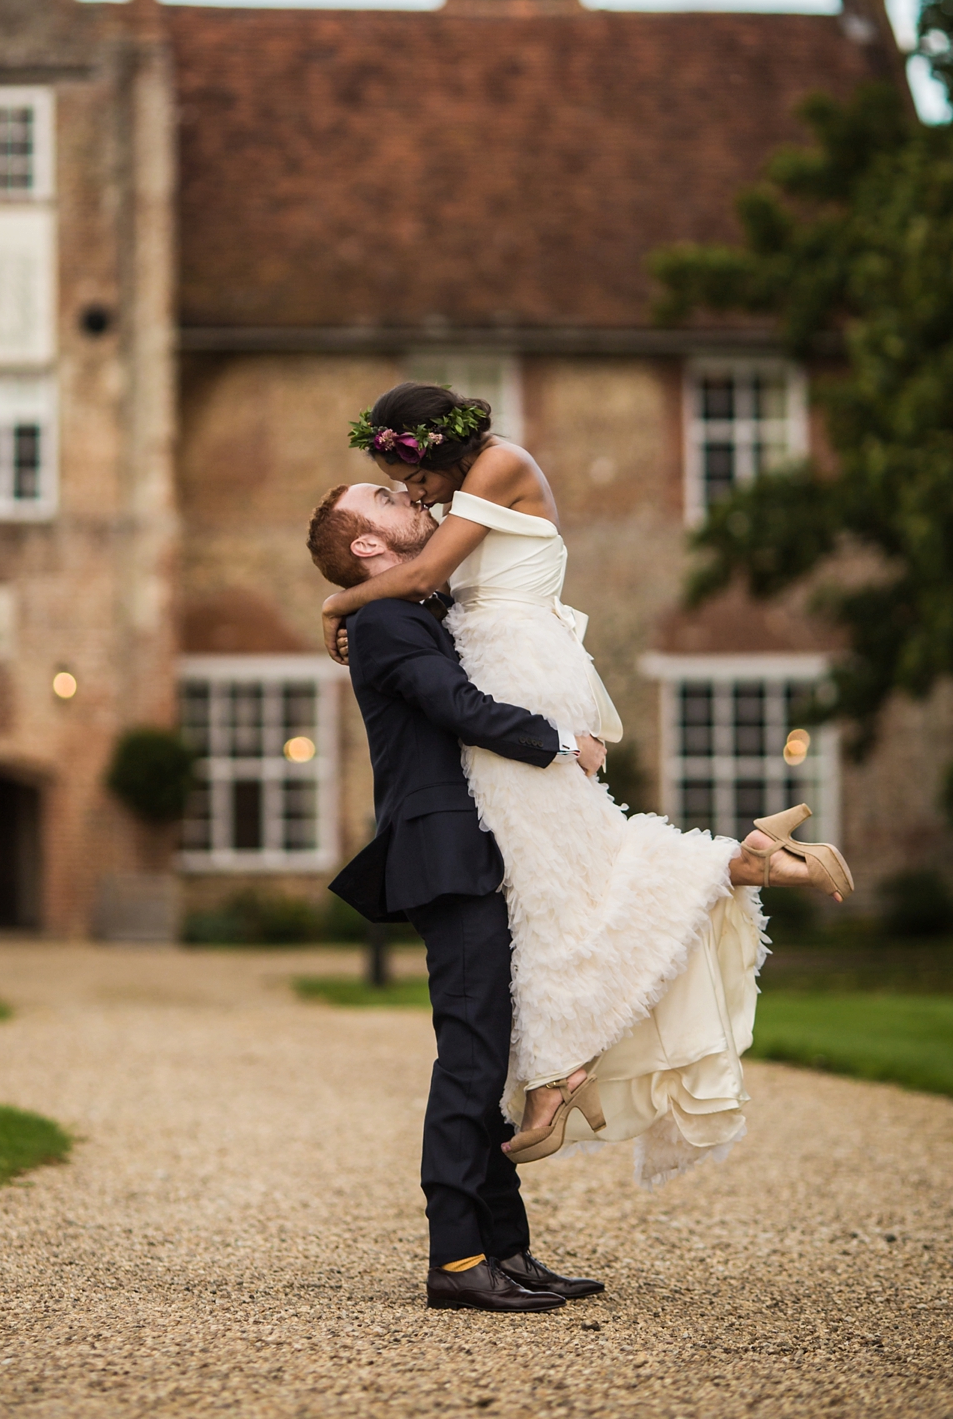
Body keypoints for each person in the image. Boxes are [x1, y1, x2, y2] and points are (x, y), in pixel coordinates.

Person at [316, 383, 853, 1190]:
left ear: (431, 450)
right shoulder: (469, 487)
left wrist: (336, 603)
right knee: (559, 873)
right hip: (504, 667)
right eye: (394, 488)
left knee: (556, 881)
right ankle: (740, 869)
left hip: (512, 675)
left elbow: (424, 569)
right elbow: (424, 578)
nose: (414, 492)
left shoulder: (498, 465)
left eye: (409, 476)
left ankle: (563, 1067)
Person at [308, 484, 606, 1314]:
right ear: (368, 545)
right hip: (446, 856)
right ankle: (457, 1258)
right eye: (382, 498)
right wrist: (560, 744)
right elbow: (457, 707)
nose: (407, 493)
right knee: (470, 1059)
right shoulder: (384, 624)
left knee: (490, 1055)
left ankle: (506, 1249)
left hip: (479, 850)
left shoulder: (400, 609)